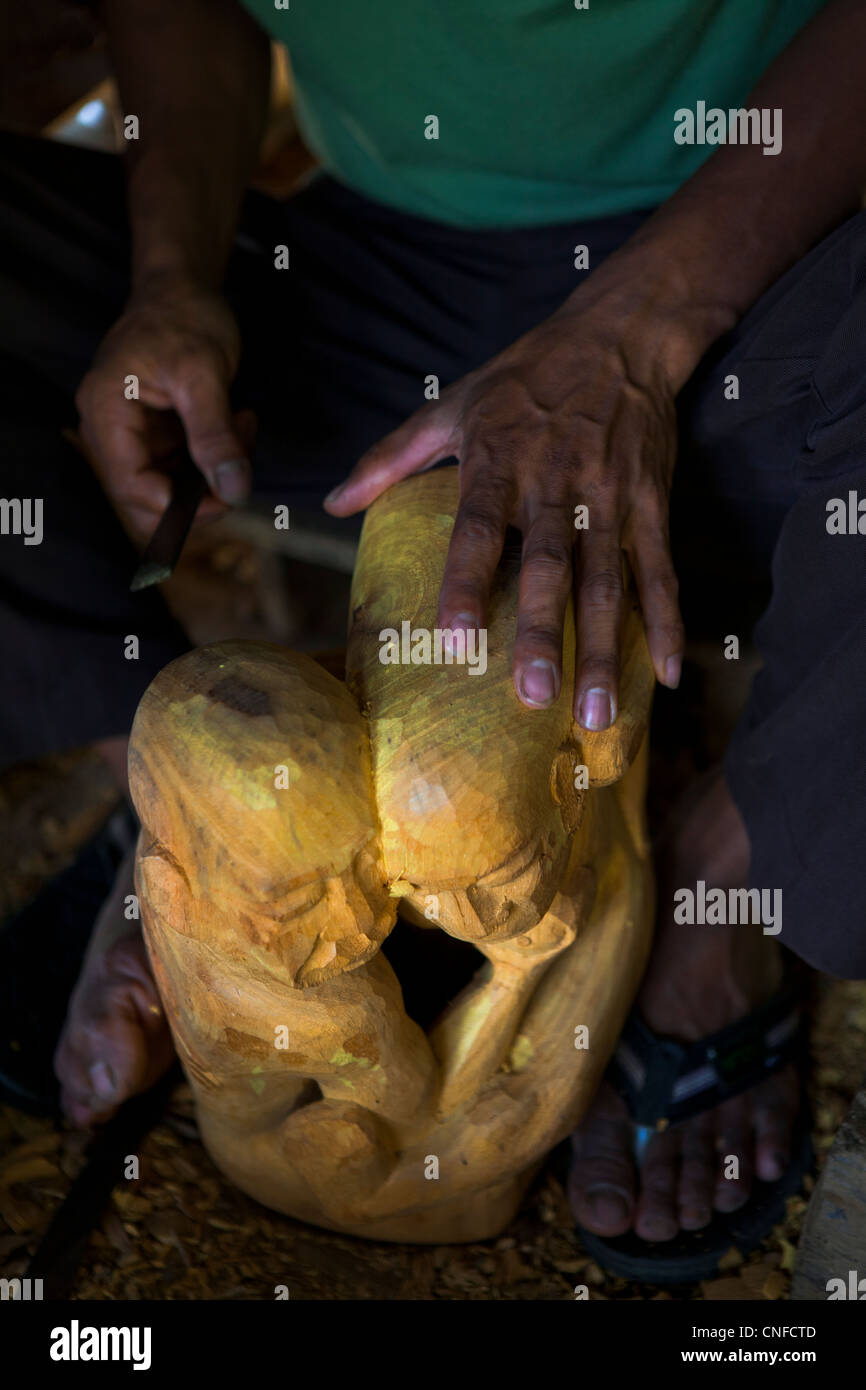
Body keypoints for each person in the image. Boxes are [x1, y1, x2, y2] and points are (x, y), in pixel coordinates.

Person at [3, 0, 866, 1278]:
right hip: (380, 279)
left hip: (770, 248)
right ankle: (172, 808)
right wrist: (173, 277)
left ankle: (723, 865)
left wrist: (632, 332)